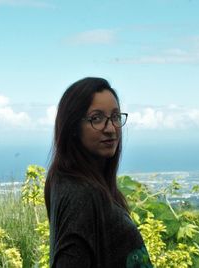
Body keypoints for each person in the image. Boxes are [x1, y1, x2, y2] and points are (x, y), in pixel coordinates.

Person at [44, 77, 153, 267]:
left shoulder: (66, 180)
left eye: (116, 117)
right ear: (73, 127)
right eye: (97, 118)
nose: (111, 129)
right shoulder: (81, 194)